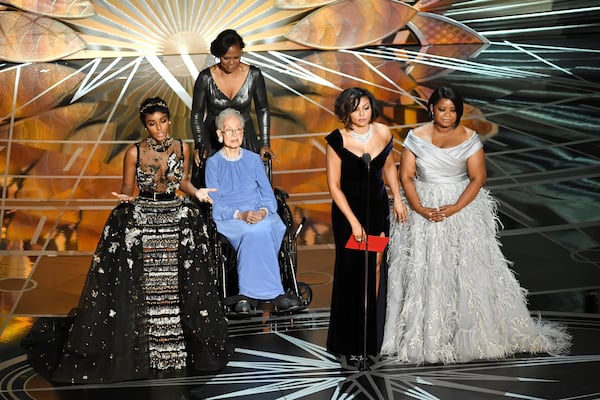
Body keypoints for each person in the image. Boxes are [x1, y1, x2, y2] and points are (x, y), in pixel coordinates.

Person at [21, 97, 233, 383]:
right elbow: (126, 187)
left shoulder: (182, 145)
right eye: (151, 124)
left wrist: (196, 192)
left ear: (169, 121)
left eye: (162, 122)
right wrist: (125, 199)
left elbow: (179, 179)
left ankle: (176, 350)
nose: (158, 128)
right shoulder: (134, 152)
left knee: (176, 282)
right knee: (146, 283)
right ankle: (148, 348)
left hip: (174, 213)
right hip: (145, 212)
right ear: (145, 126)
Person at [381, 86, 571, 364]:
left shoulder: (470, 139)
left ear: (459, 112)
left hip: (461, 208)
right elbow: (406, 176)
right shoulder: (415, 138)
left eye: (453, 110)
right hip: (423, 207)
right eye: (442, 108)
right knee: (428, 270)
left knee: (466, 270)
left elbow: (477, 178)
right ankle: (430, 337)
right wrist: (420, 208)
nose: (447, 115)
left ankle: (471, 335)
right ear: (431, 108)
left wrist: (456, 207)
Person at [325, 87, 407, 360]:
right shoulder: (337, 140)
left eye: (366, 108)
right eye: (355, 108)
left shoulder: (384, 133)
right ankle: (348, 336)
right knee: (351, 271)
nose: (361, 114)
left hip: (377, 209)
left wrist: (397, 199)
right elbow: (334, 187)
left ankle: (369, 328)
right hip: (348, 213)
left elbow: (388, 168)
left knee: (375, 265)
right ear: (345, 111)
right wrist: (353, 222)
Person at [205, 108, 301, 314]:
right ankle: (265, 294)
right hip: (230, 217)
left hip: (259, 212)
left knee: (264, 228)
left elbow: (268, 195)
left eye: (238, 129)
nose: (234, 134)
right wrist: (240, 214)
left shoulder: (253, 159)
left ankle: (258, 295)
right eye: (229, 130)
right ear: (219, 134)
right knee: (251, 232)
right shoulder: (213, 164)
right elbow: (216, 202)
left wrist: (263, 212)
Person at [191, 29, 275, 187]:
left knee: (250, 186)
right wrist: (200, 143)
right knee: (214, 187)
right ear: (218, 55)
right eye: (226, 58)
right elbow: (196, 114)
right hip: (213, 139)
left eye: (236, 57)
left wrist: (264, 143)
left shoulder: (254, 75)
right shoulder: (205, 77)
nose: (231, 63)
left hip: (244, 138)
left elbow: (262, 109)